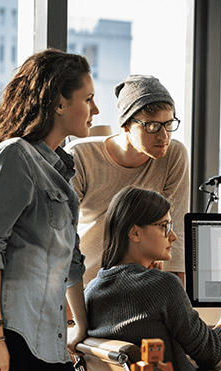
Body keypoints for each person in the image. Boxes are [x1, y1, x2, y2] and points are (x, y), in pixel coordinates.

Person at [0, 49, 97, 371]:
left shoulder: (62, 172)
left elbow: (72, 263)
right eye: (88, 99)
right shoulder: (15, 156)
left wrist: (80, 328)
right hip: (11, 337)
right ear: (59, 102)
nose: (95, 110)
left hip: (49, 340)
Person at [77, 187, 221, 371]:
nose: (172, 236)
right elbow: (211, 352)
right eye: (164, 226)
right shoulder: (162, 285)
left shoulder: (92, 289)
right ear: (134, 233)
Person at [67, 75, 190, 285]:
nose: (163, 137)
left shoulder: (174, 155)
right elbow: (63, 235)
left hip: (141, 285)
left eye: (168, 124)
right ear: (126, 125)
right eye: (151, 126)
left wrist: (177, 298)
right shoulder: (81, 156)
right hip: (86, 283)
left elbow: (175, 228)